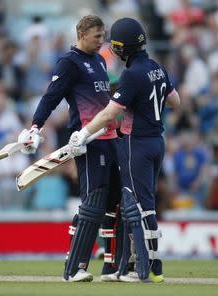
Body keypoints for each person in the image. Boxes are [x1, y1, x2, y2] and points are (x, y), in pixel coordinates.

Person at [68, 17, 180, 282]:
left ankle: (148, 268)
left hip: (136, 143)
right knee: (143, 202)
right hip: (157, 141)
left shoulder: (132, 74)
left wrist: (84, 133)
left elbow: (109, 115)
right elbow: (175, 101)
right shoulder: (157, 68)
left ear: (121, 48)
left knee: (138, 206)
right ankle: (130, 266)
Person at [17, 15, 121, 282]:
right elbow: (51, 96)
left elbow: (105, 100)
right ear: (82, 33)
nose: (102, 41)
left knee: (113, 205)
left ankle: (111, 267)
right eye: (97, 36)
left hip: (111, 139)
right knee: (93, 204)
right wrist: (35, 127)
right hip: (88, 141)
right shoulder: (69, 62)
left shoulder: (99, 60)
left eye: (103, 35)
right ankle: (75, 267)